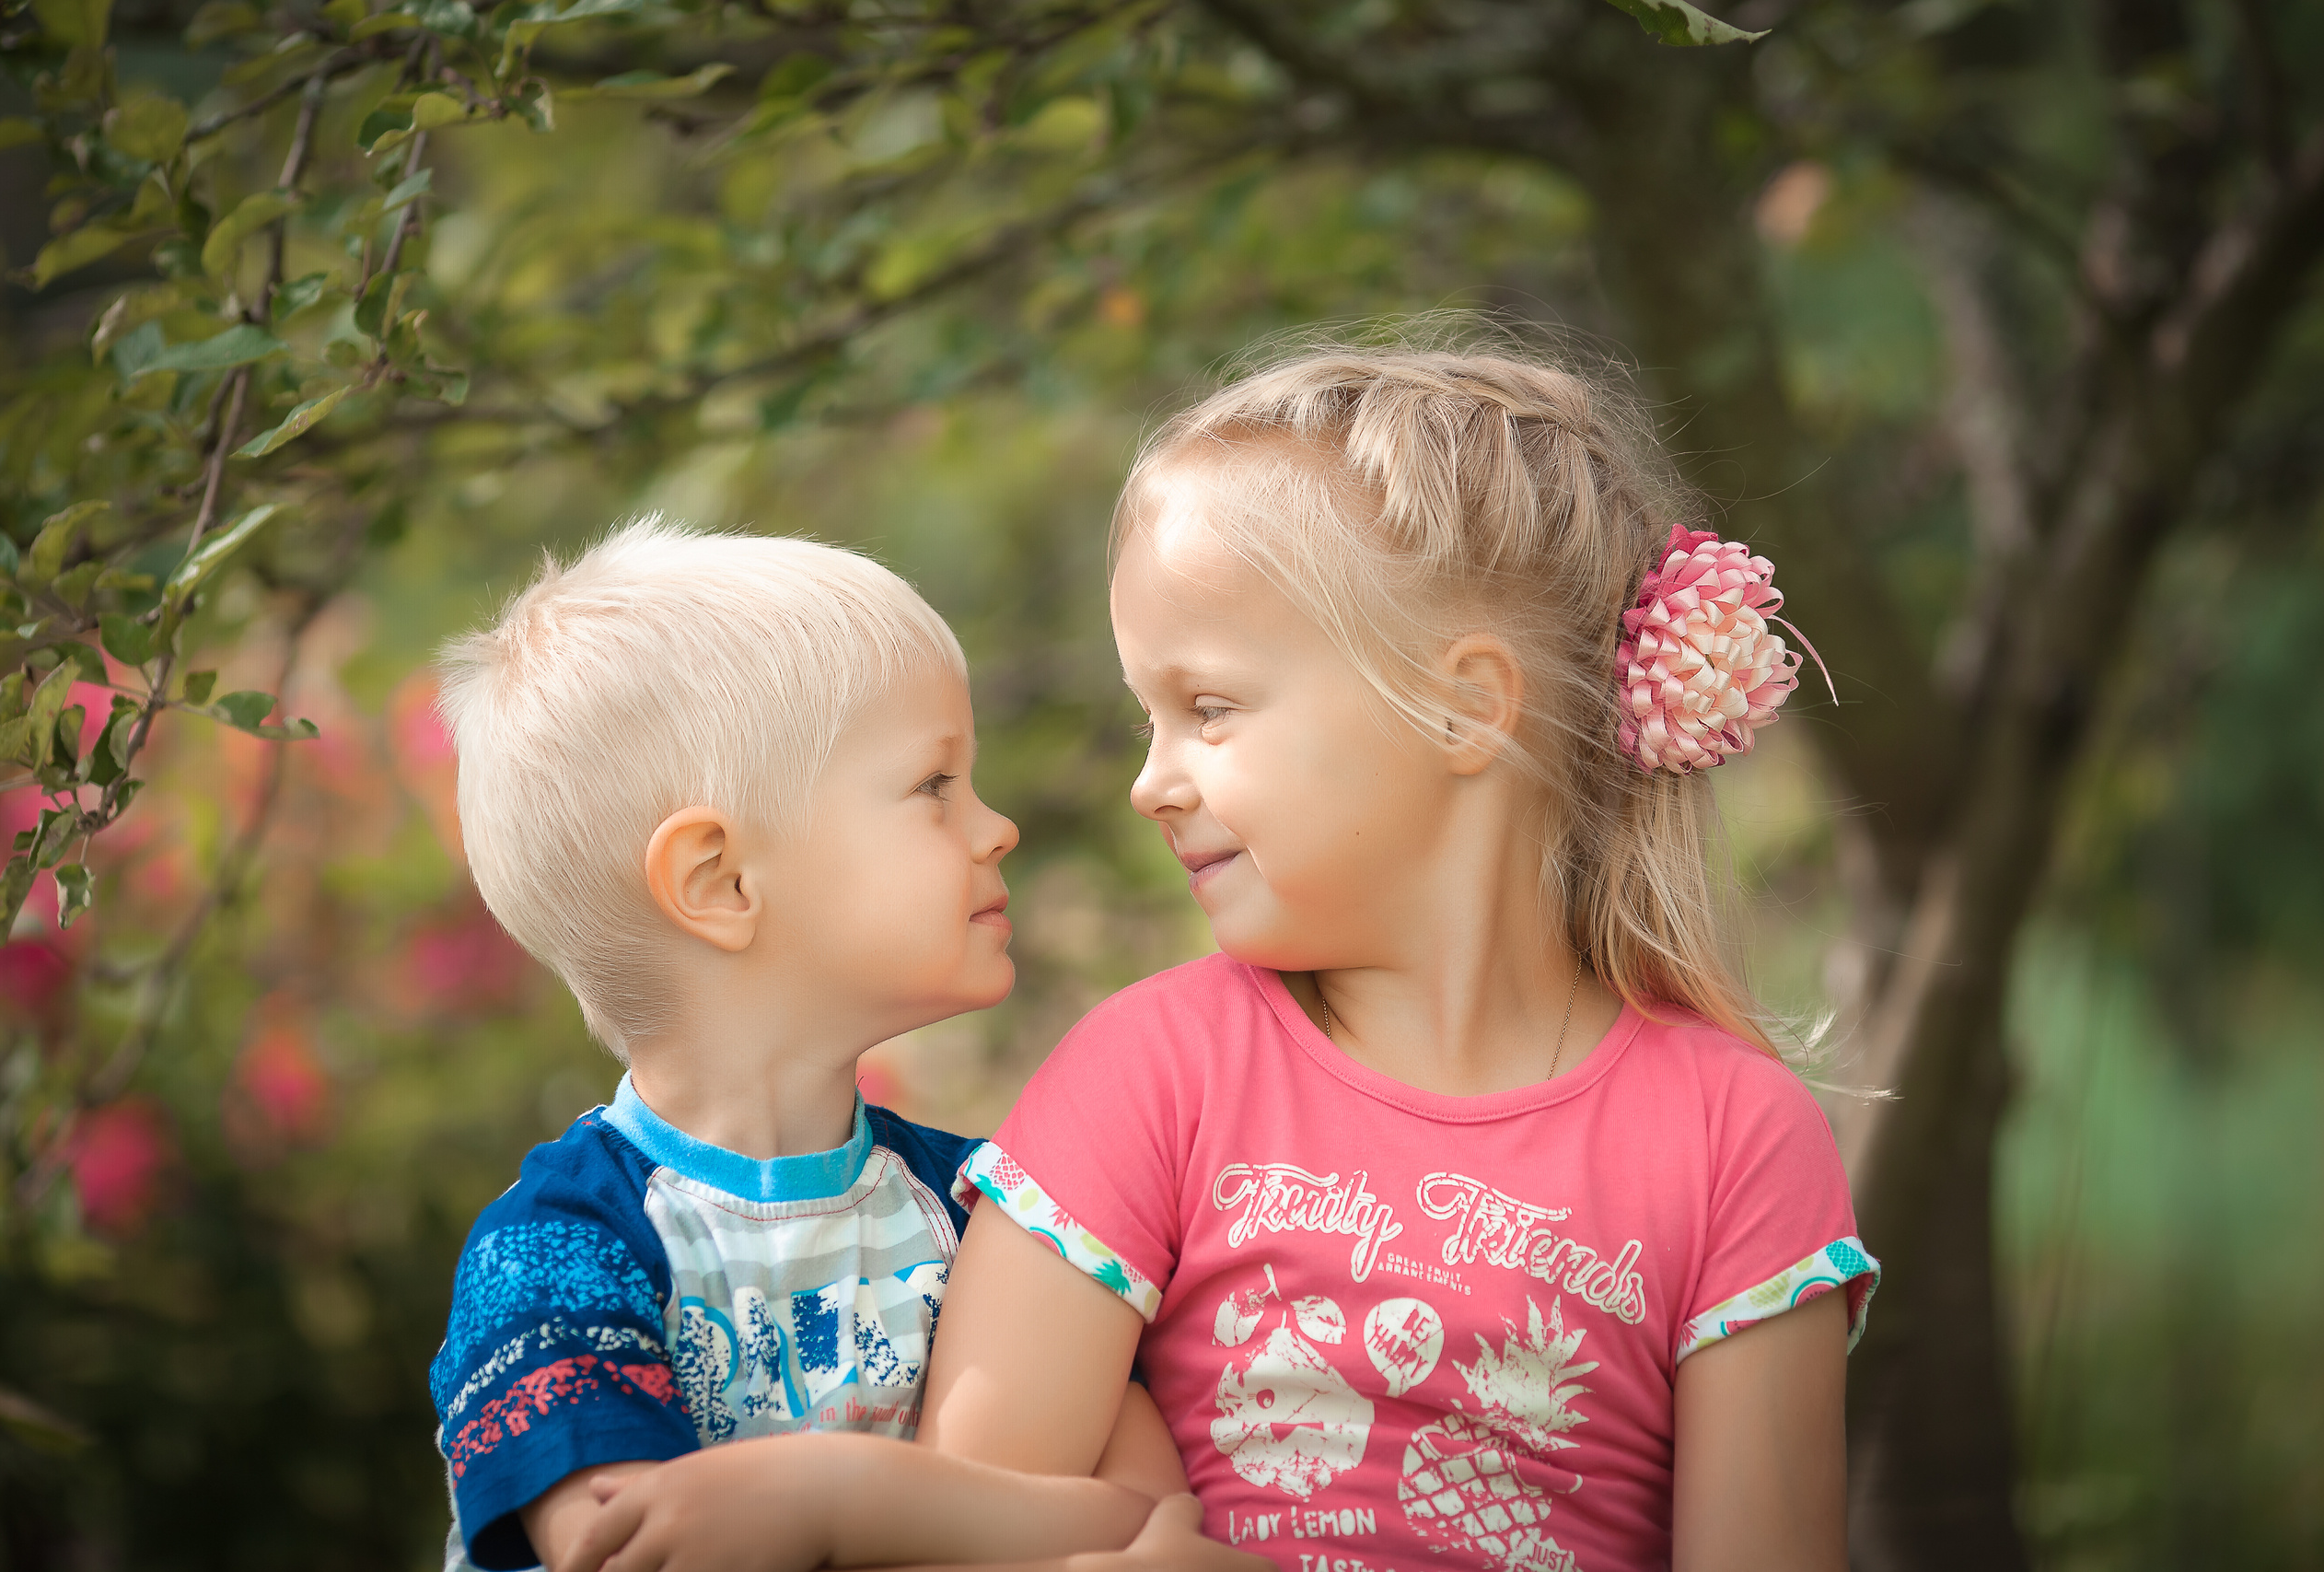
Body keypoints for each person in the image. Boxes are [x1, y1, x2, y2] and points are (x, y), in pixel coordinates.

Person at [909, 340, 1882, 1572]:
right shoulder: (1152, 1073)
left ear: (1464, 704)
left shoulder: (1735, 1138)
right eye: (1146, 717)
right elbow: (956, 1523)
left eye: (1209, 709)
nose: (1150, 782)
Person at [426, 518, 1265, 1572]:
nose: (996, 827)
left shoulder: (986, 1206)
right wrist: (904, 1512)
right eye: (934, 786)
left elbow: (1150, 1517)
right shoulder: (556, 1254)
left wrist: (843, 1512)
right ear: (722, 882)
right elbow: (633, 1549)